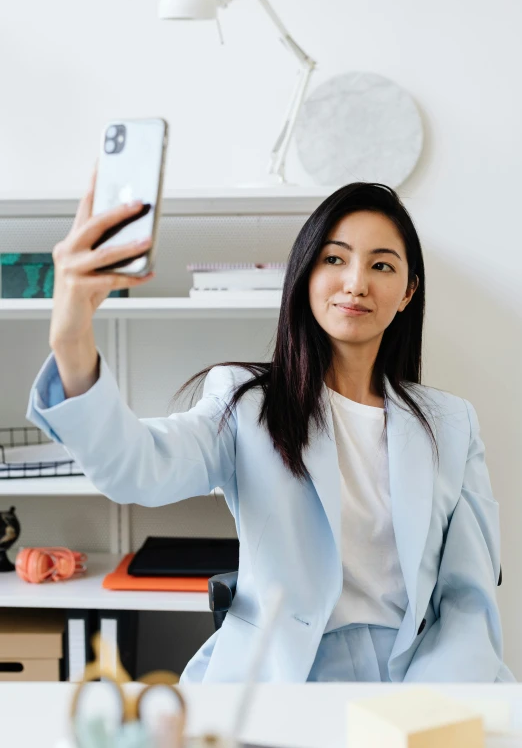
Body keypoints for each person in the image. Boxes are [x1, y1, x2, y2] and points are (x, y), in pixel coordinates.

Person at [27, 173, 515, 683]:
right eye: (334, 258)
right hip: (280, 676)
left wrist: (426, 711)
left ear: (408, 290)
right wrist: (71, 337)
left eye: (382, 265)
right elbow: (136, 468)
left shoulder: (452, 424)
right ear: (305, 274)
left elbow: (468, 601)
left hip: (420, 673)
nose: (356, 282)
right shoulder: (247, 403)